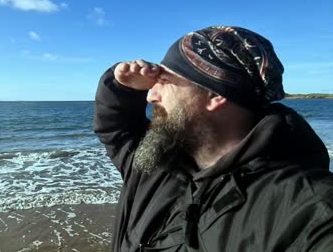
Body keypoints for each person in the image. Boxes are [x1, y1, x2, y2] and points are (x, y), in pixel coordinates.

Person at [94, 26, 333, 251]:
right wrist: (122, 87)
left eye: (164, 81)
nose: (150, 96)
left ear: (214, 95)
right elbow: (116, 130)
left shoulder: (304, 206)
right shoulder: (156, 159)